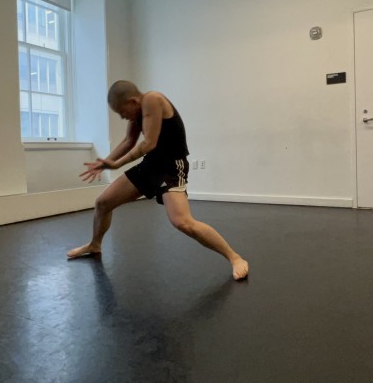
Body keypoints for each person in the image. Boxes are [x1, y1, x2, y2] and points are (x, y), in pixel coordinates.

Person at [68, 80, 250, 281]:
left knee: (183, 222)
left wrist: (116, 164)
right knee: (102, 203)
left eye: (121, 111)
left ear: (133, 101)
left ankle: (235, 257)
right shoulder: (137, 111)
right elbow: (129, 141)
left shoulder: (152, 100)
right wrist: (107, 162)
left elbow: (148, 143)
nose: (121, 116)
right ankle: (95, 244)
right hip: (151, 165)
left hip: (171, 167)